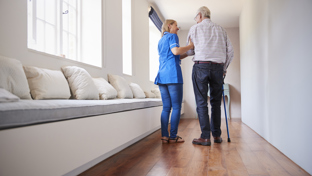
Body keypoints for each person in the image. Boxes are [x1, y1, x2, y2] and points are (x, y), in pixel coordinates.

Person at [186, 6, 234, 146]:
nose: (195, 20)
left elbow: (190, 51)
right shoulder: (221, 30)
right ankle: (217, 136)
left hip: (201, 66)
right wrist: (223, 69)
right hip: (218, 68)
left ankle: (205, 137)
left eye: (196, 18)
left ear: (200, 15)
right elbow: (230, 52)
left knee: (201, 102)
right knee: (216, 103)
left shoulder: (194, 29)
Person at [154, 19, 194, 144]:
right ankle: (173, 136)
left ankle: (164, 135)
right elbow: (176, 51)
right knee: (176, 107)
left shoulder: (161, 41)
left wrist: (187, 53)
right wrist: (190, 46)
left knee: (166, 108)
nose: (177, 28)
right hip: (173, 75)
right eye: (176, 26)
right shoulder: (173, 36)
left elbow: (175, 55)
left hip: (162, 76)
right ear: (169, 26)